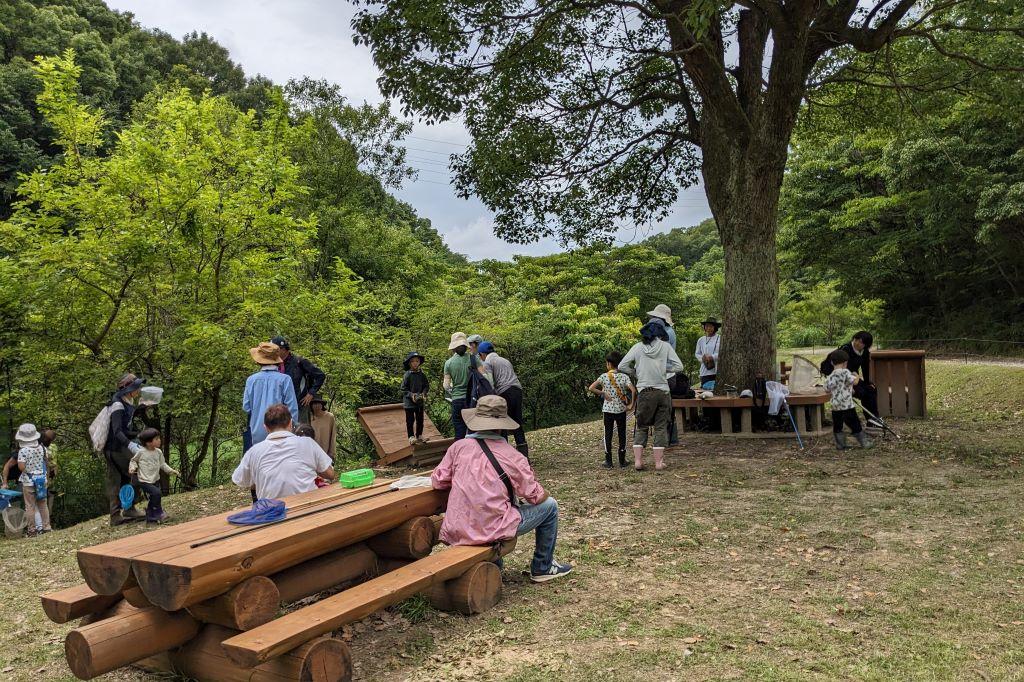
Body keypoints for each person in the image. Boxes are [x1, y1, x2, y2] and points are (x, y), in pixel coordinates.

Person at [431, 395, 573, 583]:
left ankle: (496, 563)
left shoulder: (458, 448)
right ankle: (543, 567)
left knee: (493, 506)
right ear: (501, 425)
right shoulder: (512, 455)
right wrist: (544, 492)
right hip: (491, 529)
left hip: (459, 528)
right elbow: (535, 496)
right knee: (551, 506)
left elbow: (438, 481)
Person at [232, 403, 335, 499]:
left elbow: (239, 480)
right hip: (307, 509)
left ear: (265, 427)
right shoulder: (307, 443)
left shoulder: (254, 452)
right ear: (290, 423)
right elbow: (330, 474)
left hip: (272, 514)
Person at [619, 321, 685, 471]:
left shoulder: (637, 347)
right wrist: (664, 368)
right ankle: (659, 463)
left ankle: (638, 461)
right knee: (661, 426)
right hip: (662, 391)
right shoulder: (665, 346)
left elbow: (622, 366)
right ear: (659, 335)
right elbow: (679, 366)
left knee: (642, 426)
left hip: (645, 392)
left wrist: (636, 372)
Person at [104, 373, 147, 526]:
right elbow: (116, 431)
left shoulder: (126, 401)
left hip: (117, 447)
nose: (139, 389)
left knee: (122, 479)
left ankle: (120, 513)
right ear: (129, 389)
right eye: (136, 387)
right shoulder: (117, 405)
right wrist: (130, 444)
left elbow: (124, 427)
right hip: (115, 448)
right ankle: (127, 509)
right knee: (136, 471)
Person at [477, 342, 529, 459]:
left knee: (502, 422)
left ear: (482, 354)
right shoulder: (504, 360)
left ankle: (505, 455)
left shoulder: (488, 362)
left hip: (505, 391)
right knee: (517, 422)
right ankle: (524, 456)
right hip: (517, 389)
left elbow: (489, 381)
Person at [820, 331, 882, 428]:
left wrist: (867, 382)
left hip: (852, 376)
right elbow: (837, 370)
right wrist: (850, 387)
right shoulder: (846, 349)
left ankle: (874, 419)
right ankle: (870, 420)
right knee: (862, 392)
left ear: (866, 345)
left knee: (871, 389)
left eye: (861, 342)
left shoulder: (865, 352)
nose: (857, 343)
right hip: (840, 378)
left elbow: (865, 368)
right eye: (856, 340)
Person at [243, 342, 299, 448]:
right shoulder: (285, 379)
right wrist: (293, 430)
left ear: (259, 361)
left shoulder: (251, 380)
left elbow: (246, 407)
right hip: (281, 432)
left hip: (257, 432)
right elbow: (292, 409)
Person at [588, 351, 637, 468]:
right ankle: (622, 460)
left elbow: (591, 388)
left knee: (608, 434)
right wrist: (631, 406)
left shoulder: (604, 376)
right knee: (622, 434)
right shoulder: (624, 377)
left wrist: (603, 393)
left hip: (607, 410)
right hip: (621, 410)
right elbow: (634, 390)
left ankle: (608, 461)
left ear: (609, 364)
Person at [824, 350, 875, 450]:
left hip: (835, 406)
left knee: (838, 426)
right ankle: (864, 443)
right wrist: (857, 376)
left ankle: (840, 444)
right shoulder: (846, 372)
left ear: (831, 362)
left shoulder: (830, 376)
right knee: (855, 424)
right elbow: (855, 382)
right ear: (845, 363)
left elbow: (826, 389)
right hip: (847, 406)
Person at [270, 336, 326, 424]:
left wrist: (311, 393)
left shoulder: (299, 362)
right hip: (280, 407)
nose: (273, 352)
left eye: (275, 349)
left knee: (300, 433)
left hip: (299, 404)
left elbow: (320, 376)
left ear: (283, 349)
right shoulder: (273, 364)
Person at [128, 428, 179, 523]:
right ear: (148, 442)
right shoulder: (141, 452)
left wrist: (171, 471)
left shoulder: (158, 452)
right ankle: (159, 512)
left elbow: (162, 464)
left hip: (155, 479)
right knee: (156, 493)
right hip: (144, 480)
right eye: (156, 439)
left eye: (159, 438)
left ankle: (150, 514)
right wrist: (132, 468)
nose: (159, 440)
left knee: (154, 497)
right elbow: (133, 460)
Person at [14, 424, 50, 536]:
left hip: (29, 481)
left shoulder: (23, 451)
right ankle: (46, 527)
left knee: (30, 506)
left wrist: (29, 470)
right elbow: (47, 462)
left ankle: (32, 530)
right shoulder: (43, 448)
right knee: (43, 504)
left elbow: (21, 466)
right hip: (41, 480)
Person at [443, 332, 473, 439]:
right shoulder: (473, 359)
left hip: (456, 400)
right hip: (471, 399)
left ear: (454, 348)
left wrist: (452, 390)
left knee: (459, 431)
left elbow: (446, 386)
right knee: (472, 429)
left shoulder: (448, 363)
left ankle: (461, 453)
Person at [401, 352, 430, 445]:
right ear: (409, 363)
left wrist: (424, 393)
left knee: (420, 420)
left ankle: (419, 435)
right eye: (413, 361)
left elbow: (426, 386)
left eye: (417, 361)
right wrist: (411, 395)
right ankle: (411, 437)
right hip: (409, 403)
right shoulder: (407, 375)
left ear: (419, 362)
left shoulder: (422, 375)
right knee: (410, 420)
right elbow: (403, 389)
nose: (415, 363)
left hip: (419, 402)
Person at [694, 317, 722, 388]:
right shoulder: (701, 340)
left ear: (715, 327)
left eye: (711, 326)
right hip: (705, 371)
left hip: (717, 371)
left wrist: (712, 357)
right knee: (706, 391)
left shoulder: (720, 338)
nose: (708, 328)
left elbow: (723, 353)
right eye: (706, 326)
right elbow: (697, 353)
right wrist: (703, 359)